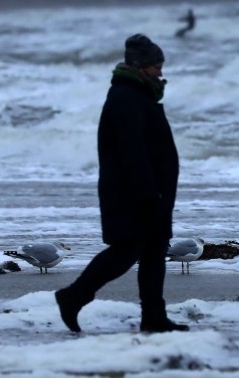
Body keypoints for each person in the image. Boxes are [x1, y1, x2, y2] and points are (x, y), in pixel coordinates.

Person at [55, 33, 189, 334]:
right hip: (134, 193)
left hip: (149, 191)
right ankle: (73, 296)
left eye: (161, 65)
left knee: (155, 251)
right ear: (140, 67)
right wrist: (147, 192)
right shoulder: (126, 98)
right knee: (126, 251)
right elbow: (132, 152)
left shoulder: (137, 94)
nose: (161, 72)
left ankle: (154, 317)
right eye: (156, 66)